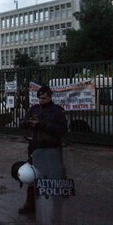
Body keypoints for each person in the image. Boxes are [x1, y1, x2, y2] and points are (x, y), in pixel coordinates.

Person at [18, 85, 68, 215]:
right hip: (36, 148)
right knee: (33, 176)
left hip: (52, 150)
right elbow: (22, 123)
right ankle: (30, 203)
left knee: (54, 178)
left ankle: (56, 207)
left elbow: (62, 129)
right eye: (39, 98)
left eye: (43, 98)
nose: (41, 101)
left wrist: (42, 125)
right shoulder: (34, 109)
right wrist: (26, 123)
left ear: (50, 97)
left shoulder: (57, 111)